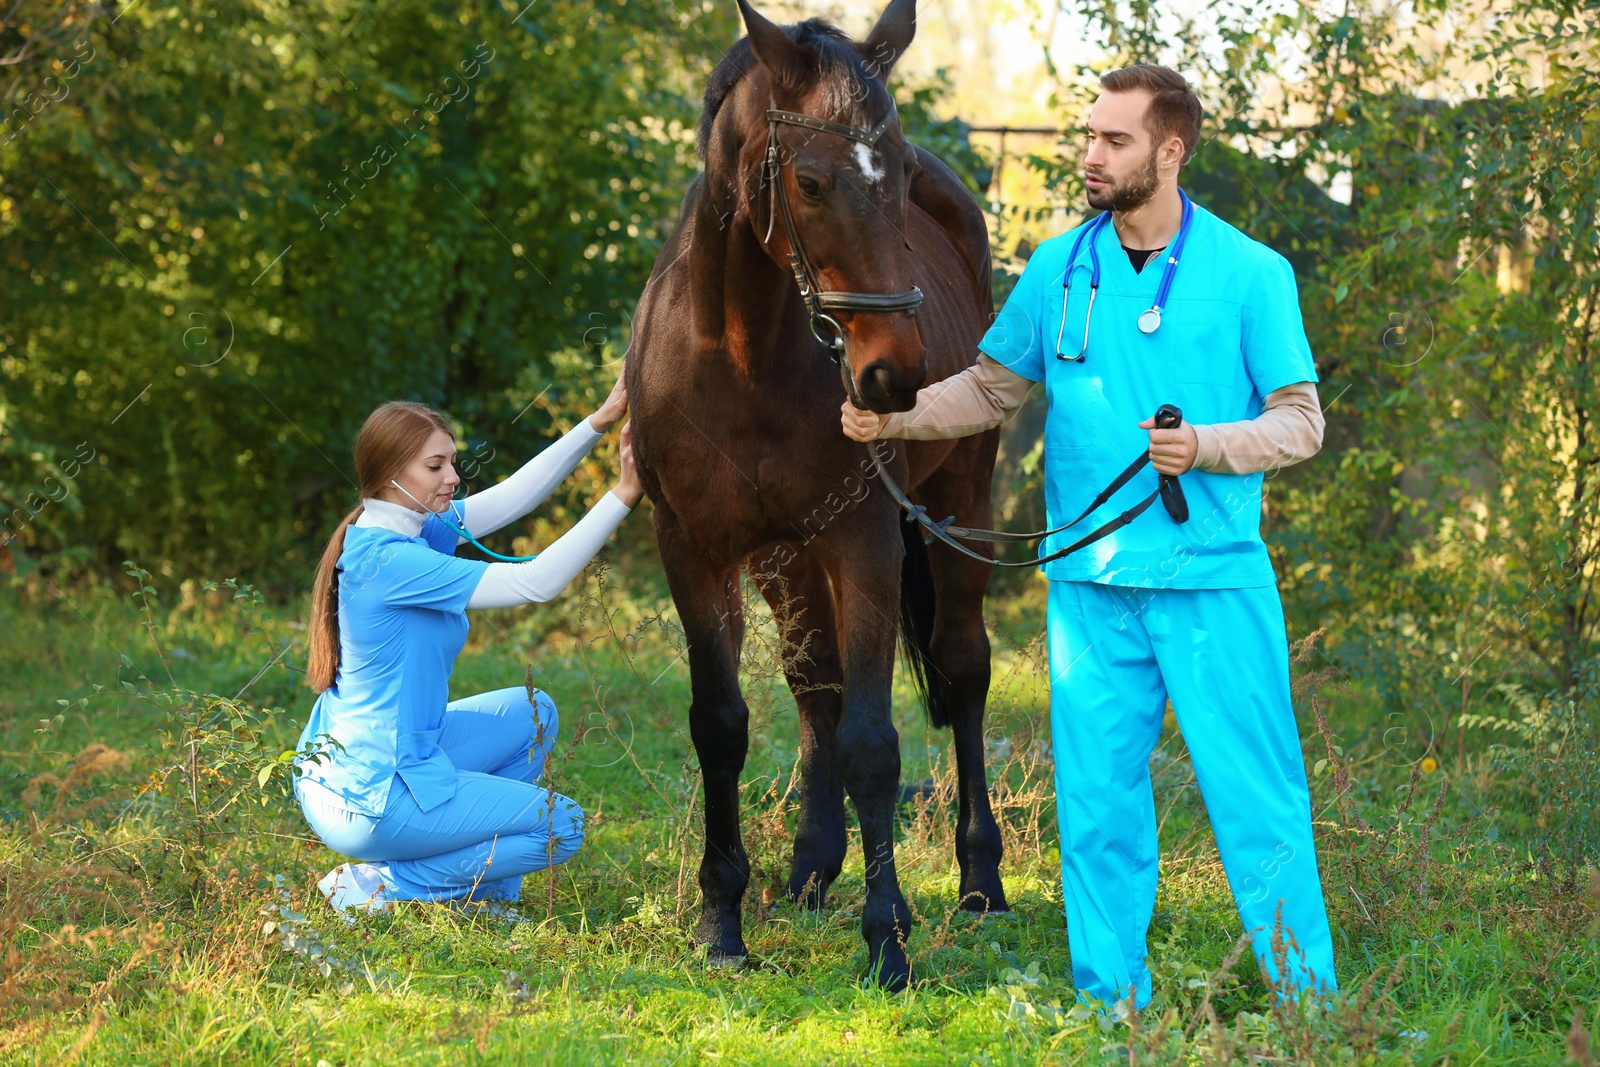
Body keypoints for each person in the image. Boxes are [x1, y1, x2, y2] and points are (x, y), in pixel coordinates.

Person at [840, 65, 1339, 1010]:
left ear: (1171, 150)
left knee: (1257, 800)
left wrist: (1208, 445)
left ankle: (1313, 1006)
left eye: (1114, 140)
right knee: (1100, 812)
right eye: (1089, 136)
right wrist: (894, 420)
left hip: (1212, 582)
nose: (1091, 154)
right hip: (1092, 585)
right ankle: (1114, 1005)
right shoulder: (1060, 266)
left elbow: (1300, 422)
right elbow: (991, 387)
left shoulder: (1250, 273)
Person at [294, 375, 640, 918]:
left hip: (393, 756)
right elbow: (536, 583)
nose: (453, 477)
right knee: (562, 824)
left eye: (451, 462)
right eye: (436, 467)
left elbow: (513, 499)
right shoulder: (390, 559)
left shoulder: (409, 526)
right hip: (368, 796)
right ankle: (384, 885)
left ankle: (482, 895)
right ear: (391, 476)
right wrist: (623, 494)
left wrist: (598, 422)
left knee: (535, 713)